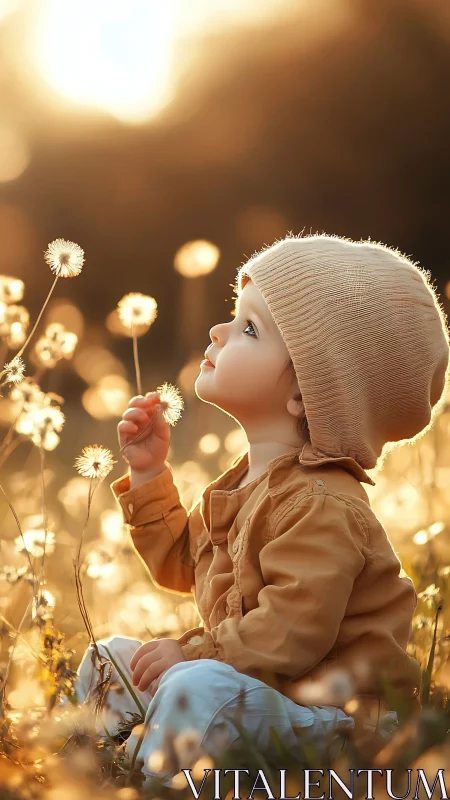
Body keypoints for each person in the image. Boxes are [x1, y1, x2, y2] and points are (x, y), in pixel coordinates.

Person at [71, 233, 450, 788]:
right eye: (233, 315)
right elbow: (183, 566)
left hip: (340, 721)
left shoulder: (323, 503)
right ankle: (93, 765)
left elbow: (292, 633)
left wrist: (193, 651)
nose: (217, 331)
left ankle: (153, 778)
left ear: (308, 392)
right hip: (259, 689)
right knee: (111, 659)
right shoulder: (248, 482)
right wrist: (151, 475)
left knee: (192, 687)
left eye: (249, 328)